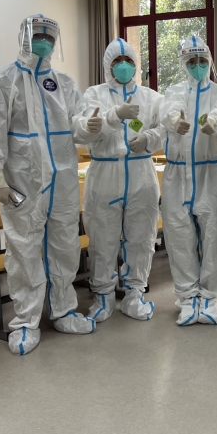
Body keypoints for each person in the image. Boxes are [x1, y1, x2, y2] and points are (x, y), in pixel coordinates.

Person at [0, 14, 98, 356]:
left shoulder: (64, 83)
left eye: (49, 36)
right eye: (38, 34)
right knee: (23, 248)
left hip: (63, 179)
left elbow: (77, 125)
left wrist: (90, 125)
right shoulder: (2, 80)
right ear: (24, 37)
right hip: (23, 181)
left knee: (65, 244)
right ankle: (26, 321)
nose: (44, 41)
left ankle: (63, 310)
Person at [81, 39, 162, 323]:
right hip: (105, 172)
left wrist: (149, 138)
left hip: (141, 172)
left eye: (129, 60)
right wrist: (114, 116)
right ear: (108, 65)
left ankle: (134, 295)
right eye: (117, 61)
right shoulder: (94, 94)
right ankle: (103, 296)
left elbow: (167, 127)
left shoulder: (151, 97)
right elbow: (85, 130)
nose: (124, 66)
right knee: (102, 239)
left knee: (141, 238)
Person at [159, 35, 217, 326]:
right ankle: (188, 297)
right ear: (184, 63)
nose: (198, 65)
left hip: (210, 172)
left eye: (202, 60)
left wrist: (215, 123)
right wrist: (174, 120)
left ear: (210, 61)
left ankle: (211, 297)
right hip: (177, 173)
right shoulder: (174, 91)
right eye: (192, 61)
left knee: (213, 237)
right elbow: (170, 109)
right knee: (180, 238)